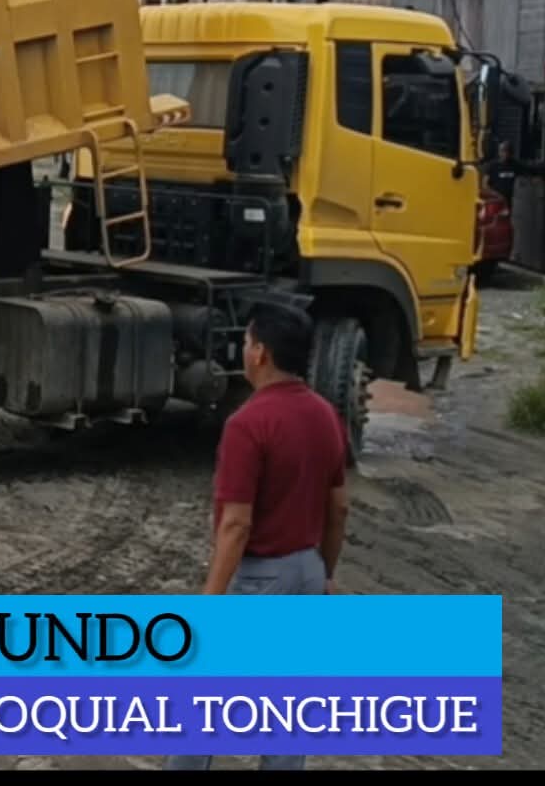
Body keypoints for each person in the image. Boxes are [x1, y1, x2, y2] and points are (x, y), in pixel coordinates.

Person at [166, 303, 350, 772]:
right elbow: (338, 507)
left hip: (263, 579)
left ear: (261, 353)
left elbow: (236, 524)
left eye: (247, 342)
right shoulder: (326, 416)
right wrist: (325, 574)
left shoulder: (248, 424)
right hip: (308, 570)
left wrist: (210, 601)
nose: (244, 350)